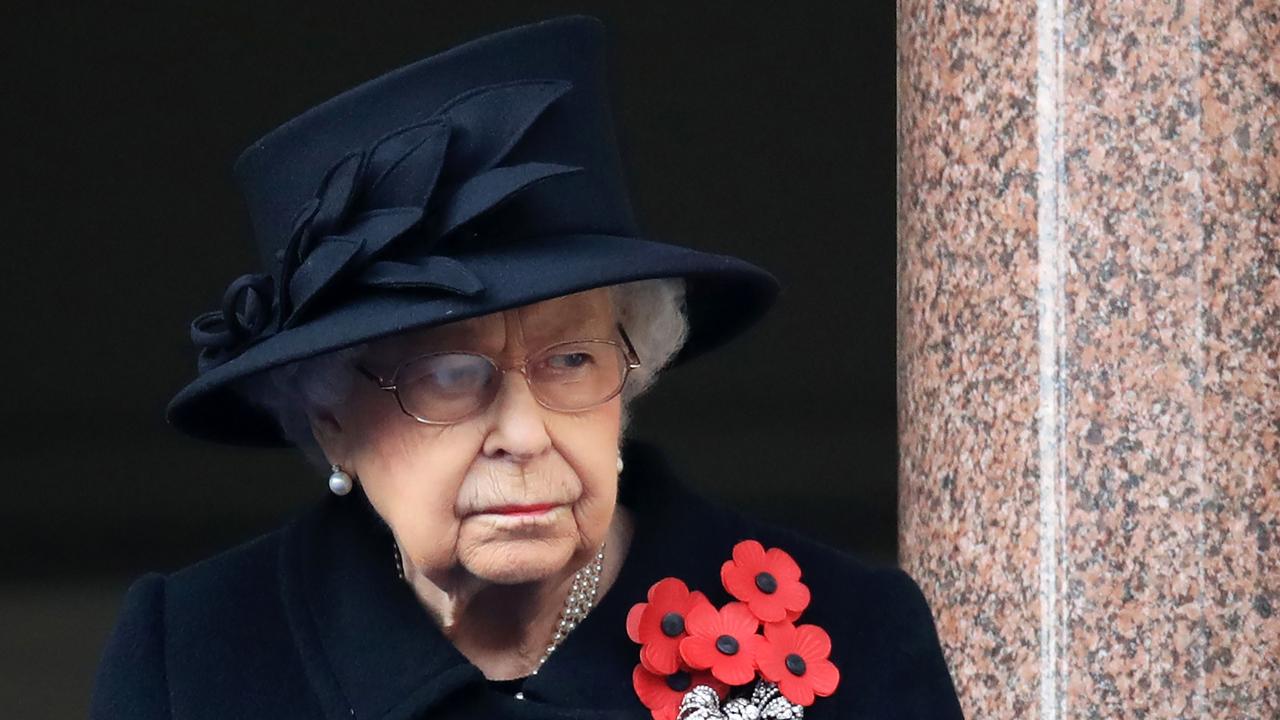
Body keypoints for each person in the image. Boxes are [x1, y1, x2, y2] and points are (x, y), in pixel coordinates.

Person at [90, 15, 963, 720]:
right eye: (447, 374)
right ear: (330, 420)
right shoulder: (194, 656)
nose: (523, 433)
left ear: (635, 371)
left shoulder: (853, 633)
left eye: (571, 359)